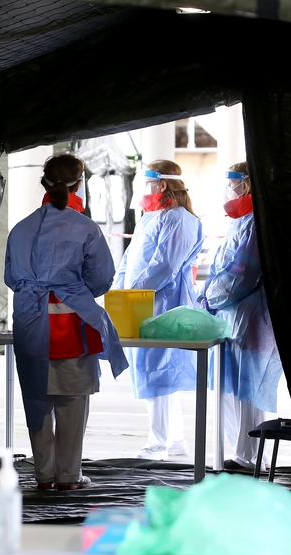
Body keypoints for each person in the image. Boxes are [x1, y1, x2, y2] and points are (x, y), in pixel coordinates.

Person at [5, 154, 128, 491]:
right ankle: (69, 476)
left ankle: (43, 475)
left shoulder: (20, 228)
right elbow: (102, 278)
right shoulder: (86, 228)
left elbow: (11, 278)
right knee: (72, 402)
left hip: (31, 322)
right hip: (72, 326)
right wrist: (71, 289)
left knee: (37, 397)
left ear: (44, 182)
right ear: (79, 183)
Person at [114, 160, 204, 460]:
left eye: (147, 182)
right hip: (140, 304)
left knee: (160, 372)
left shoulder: (179, 219)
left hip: (163, 304)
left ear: (162, 184)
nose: (143, 190)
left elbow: (165, 266)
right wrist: (118, 291)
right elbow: (130, 258)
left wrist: (134, 290)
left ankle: (159, 443)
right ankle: (174, 441)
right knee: (151, 371)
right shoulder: (149, 218)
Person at [199, 162, 283, 471]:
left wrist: (213, 296)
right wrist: (208, 295)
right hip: (231, 315)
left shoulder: (256, 223)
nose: (228, 189)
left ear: (246, 184)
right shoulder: (238, 221)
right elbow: (223, 266)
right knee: (229, 385)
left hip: (252, 316)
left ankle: (249, 457)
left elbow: (244, 272)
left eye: (232, 183)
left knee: (249, 387)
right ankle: (237, 452)